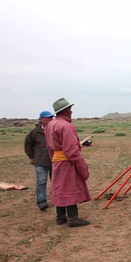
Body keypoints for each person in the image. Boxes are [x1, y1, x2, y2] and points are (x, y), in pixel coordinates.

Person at [45, 97, 92, 227]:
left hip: (56, 161)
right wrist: (82, 166)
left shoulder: (50, 125)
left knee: (59, 188)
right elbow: (72, 151)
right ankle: (73, 218)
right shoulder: (66, 126)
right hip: (67, 162)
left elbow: (49, 147)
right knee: (69, 188)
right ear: (65, 110)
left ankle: (60, 216)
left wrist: (54, 160)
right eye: (70, 109)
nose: (71, 111)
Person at [24, 110, 54, 211]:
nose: (51, 119)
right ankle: (42, 202)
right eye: (48, 118)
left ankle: (55, 198)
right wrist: (31, 157)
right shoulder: (34, 132)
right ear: (42, 119)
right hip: (40, 161)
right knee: (41, 181)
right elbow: (28, 144)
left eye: (52, 117)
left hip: (54, 160)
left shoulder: (54, 129)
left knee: (55, 181)